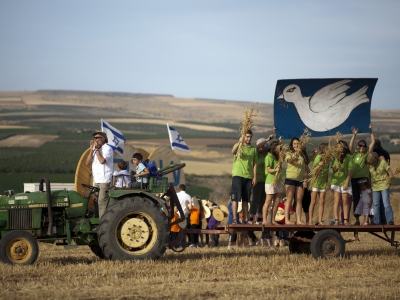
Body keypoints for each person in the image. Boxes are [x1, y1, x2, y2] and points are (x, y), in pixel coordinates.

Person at [230, 130, 258, 224]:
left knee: (246, 199)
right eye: (247, 137)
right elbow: (232, 151)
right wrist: (239, 142)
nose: (248, 138)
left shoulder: (253, 149)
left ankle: (246, 219)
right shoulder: (238, 146)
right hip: (238, 174)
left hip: (248, 176)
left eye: (250, 137)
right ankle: (235, 219)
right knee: (235, 198)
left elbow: (255, 163)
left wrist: (255, 177)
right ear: (243, 137)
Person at [349, 124, 375, 225]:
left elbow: (372, 142)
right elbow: (350, 146)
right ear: (357, 146)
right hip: (354, 179)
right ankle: (357, 219)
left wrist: (371, 131)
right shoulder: (354, 154)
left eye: (364, 146)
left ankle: (370, 219)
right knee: (356, 198)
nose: (362, 147)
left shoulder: (366, 154)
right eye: (360, 145)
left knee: (368, 198)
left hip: (364, 179)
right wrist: (354, 135)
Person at [85, 131, 114, 219]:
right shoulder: (95, 150)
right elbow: (87, 163)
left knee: (102, 202)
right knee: (96, 202)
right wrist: (91, 151)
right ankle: (98, 221)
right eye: (94, 138)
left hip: (104, 180)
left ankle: (102, 224)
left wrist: (97, 150)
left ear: (103, 139)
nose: (95, 139)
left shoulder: (107, 149)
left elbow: (102, 161)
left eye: (97, 137)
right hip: (97, 180)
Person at [249, 133, 275, 224]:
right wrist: (267, 140)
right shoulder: (257, 154)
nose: (260, 147)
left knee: (263, 199)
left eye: (262, 146)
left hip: (267, 180)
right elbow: (257, 147)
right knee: (255, 198)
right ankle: (251, 217)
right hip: (258, 179)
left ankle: (259, 218)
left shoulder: (268, 155)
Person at [365, 152, 394, 225]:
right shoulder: (370, 165)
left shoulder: (383, 162)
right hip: (375, 186)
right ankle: (376, 221)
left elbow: (389, 171)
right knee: (376, 204)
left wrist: (390, 176)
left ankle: (390, 220)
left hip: (384, 185)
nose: (371, 164)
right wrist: (369, 185)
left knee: (386, 203)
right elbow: (370, 176)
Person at [284, 137, 308, 225]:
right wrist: (295, 157)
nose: (296, 145)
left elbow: (306, 169)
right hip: (290, 178)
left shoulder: (303, 155)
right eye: (294, 144)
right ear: (292, 144)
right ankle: (287, 220)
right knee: (289, 199)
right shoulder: (289, 153)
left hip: (300, 180)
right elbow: (289, 160)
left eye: (297, 144)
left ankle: (298, 220)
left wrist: (305, 180)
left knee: (299, 200)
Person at [331, 140, 353, 225]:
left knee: (345, 201)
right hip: (336, 181)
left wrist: (346, 182)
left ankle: (346, 220)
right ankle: (336, 220)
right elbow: (333, 169)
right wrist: (336, 167)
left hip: (344, 181)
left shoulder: (348, 157)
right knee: (336, 201)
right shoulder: (335, 156)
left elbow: (349, 171)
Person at [308, 143, 330, 225]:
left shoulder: (327, 159)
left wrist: (327, 183)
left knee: (322, 201)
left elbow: (327, 172)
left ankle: (320, 220)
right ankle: (310, 220)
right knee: (313, 201)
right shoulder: (318, 157)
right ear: (323, 149)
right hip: (316, 182)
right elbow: (314, 168)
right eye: (327, 148)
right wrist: (318, 165)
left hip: (323, 182)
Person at [262, 141, 283, 225]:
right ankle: (264, 220)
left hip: (278, 180)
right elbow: (268, 169)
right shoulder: (268, 157)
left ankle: (273, 220)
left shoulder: (278, 157)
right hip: (270, 181)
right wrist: (275, 170)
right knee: (268, 200)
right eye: (278, 147)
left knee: (277, 201)